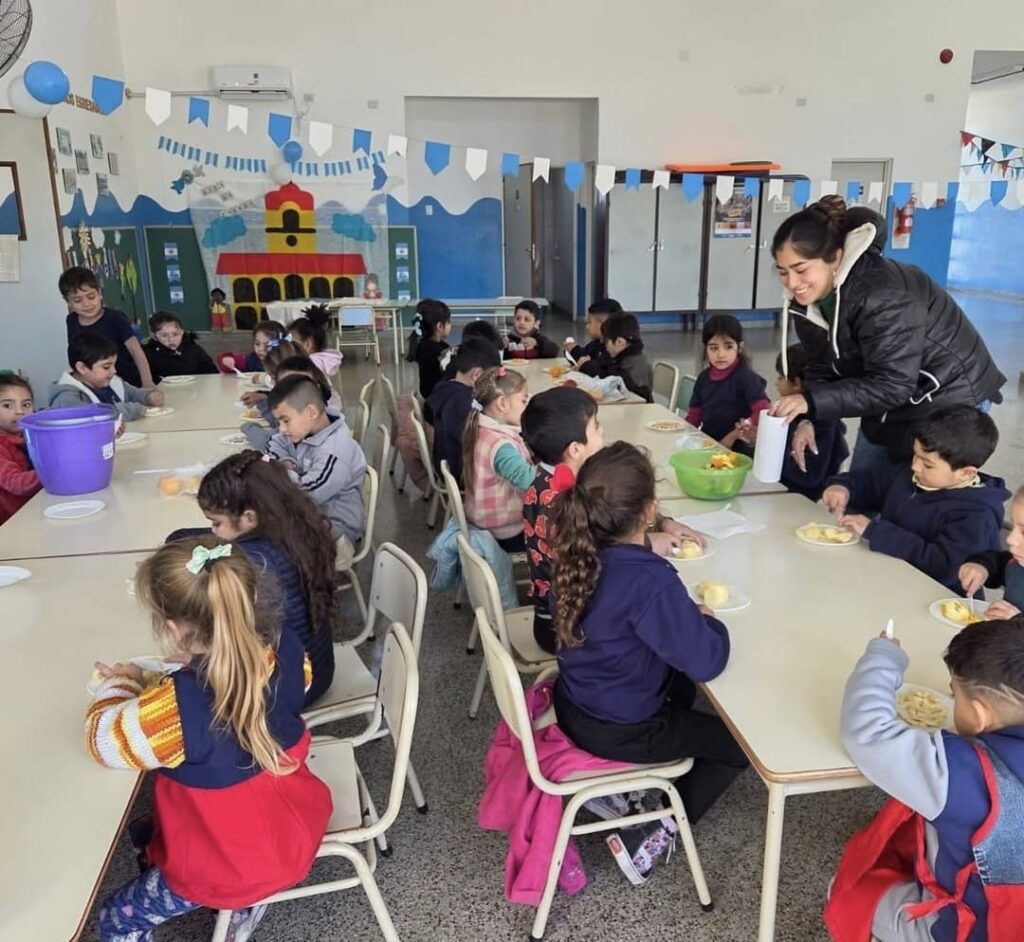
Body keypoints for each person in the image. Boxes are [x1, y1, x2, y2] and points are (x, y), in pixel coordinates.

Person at [87, 537, 332, 942]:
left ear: (174, 629)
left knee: (115, 918)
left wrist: (120, 683)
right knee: (147, 832)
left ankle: (241, 898)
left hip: (228, 863)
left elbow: (102, 742)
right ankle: (246, 904)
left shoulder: (174, 710)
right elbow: (296, 686)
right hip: (294, 828)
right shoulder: (287, 646)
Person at [550, 442, 748, 881]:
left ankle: (627, 792)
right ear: (650, 511)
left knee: (679, 687)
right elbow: (707, 661)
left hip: (575, 703)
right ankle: (656, 828)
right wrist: (710, 622)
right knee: (736, 745)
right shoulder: (648, 580)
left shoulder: (575, 556)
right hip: (619, 727)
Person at [768, 196, 1005, 475]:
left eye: (801, 269)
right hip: (892, 393)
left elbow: (893, 383)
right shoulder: (808, 301)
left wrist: (809, 401)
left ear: (835, 258)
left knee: (917, 500)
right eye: (782, 272)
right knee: (861, 493)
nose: (793, 283)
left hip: (948, 397)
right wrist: (810, 418)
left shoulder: (883, 295)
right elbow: (822, 366)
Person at [828, 619, 1024, 941]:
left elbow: (866, 730)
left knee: (845, 889)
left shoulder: (963, 771)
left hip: (966, 931)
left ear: (979, 715)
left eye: (954, 694)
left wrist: (883, 656)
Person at [520, 389, 707, 654]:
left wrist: (663, 523)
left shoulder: (552, 479)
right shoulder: (563, 499)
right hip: (570, 632)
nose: (603, 431)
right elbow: (602, 561)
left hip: (563, 617)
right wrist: (647, 544)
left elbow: (612, 516)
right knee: (667, 628)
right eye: (596, 427)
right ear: (575, 449)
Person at [194, 451, 338, 705]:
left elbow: (222, 627)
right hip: (318, 667)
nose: (212, 531)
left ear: (249, 518)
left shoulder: (253, 564)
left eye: (216, 523)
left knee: (188, 697)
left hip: (289, 687)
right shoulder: (292, 528)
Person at [822, 406, 1009, 595]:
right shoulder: (912, 474)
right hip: (886, 579)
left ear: (966, 473)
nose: (915, 466)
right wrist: (844, 487)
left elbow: (944, 568)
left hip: (933, 599)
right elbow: (871, 483)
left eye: (927, 464)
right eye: (915, 455)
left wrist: (876, 532)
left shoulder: (976, 515)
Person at [265, 375, 366, 554]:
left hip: (335, 531)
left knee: (265, 545)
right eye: (278, 422)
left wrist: (277, 471)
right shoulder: (305, 430)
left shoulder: (334, 450)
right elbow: (274, 444)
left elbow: (306, 493)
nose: (281, 428)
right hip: (308, 516)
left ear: (311, 412)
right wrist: (283, 461)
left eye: (285, 420)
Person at [462, 366, 533, 551]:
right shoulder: (501, 446)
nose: (528, 407)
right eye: (524, 401)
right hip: (506, 531)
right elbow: (529, 481)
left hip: (483, 516)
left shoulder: (480, 427)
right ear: (502, 404)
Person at [770, 344, 849, 500]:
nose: (776, 384)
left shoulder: (822, 424)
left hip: (800, 499)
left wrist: (771, 450)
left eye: (780, 378)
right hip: (783, 490)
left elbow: (807, 478)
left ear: (797, 383)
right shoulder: (799, 415)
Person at [684, 314, 770, 450]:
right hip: (709, 445)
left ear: (739, 347)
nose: (721, 354)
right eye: (713, 348)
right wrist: (685, 438)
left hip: (738, 449)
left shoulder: (746, 378)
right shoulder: (703, 378)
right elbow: (694, 416)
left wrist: (737, 433)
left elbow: (763, 410)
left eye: (728, 347)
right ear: (705, 349)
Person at [60, 266, 154, 388]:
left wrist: (147, 381)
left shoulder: (115, 318)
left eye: (91, 297)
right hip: (95, 386)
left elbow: (135, 350)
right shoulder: (71, 321)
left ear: (99, 293)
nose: (86, 304)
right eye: (77, 300)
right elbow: (76, 356)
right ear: (68, 302)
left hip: (128, 382)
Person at [424, 338, 502, 482]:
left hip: (448, 465)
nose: (494, 384)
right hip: (464, 473)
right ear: (477, 374)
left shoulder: (447, 388)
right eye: (493, 378)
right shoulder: (463, 404)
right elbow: (484, 438)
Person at [49, 333, 164, 421]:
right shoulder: (67, 397)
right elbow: (95, 415)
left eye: (114, 365)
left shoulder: (108, 381)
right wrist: (134, 410)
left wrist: (148, 396)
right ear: (82, 368)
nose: (114, 371)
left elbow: (131, 393)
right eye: (106, 367)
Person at [960, 484, 1024, 620]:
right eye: (1014, 527)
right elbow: (1000, 563)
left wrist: (1017, 621)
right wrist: (982, 567)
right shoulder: (1018, 564)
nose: (1010, 539)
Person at [0, 372, 41, 525]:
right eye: (7, 405)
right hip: (12, 524)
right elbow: (16, 483)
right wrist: (53, 472)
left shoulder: (27, 434)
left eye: (26, 404)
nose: (20, 411)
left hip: (34, 510)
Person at [143, 312, 219, 382]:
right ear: (155, 337)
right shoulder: (148, 355)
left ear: (182, 332)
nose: (171, 339)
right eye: (164, 336)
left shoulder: (194, 350)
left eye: (175, 334)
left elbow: (212, 374)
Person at [600, 311, 655, 403]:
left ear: (620, 342)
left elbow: (635, 401)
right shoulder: (633, 356)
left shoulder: (630, 367)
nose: (605, 346)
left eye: (606, 341)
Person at [405, 298, 453, 398]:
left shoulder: (424, 345)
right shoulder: (436, 351)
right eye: (448, 322)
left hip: (431, 398)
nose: (450, 325)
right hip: (437, 402)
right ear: (440, 326)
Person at [564, 297, 621, 374]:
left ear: (604, 324)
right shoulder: (596, 343)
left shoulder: (616, 347)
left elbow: (600, 372)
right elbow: (584, 356)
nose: (587, 327)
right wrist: (571, 349)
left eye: (589, 322)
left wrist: (575, 351)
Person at [290, 304, 344, 378]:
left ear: (308, 344)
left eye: (292, 341)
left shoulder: (310, 364)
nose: (289, 345)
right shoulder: (320, 360)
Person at [218, 320, 288, 374]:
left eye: (267, 345)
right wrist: (227, 360)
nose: (260, 349)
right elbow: (227, 366)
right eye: (257, 344)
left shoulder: (287, 363)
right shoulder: (251, 360)